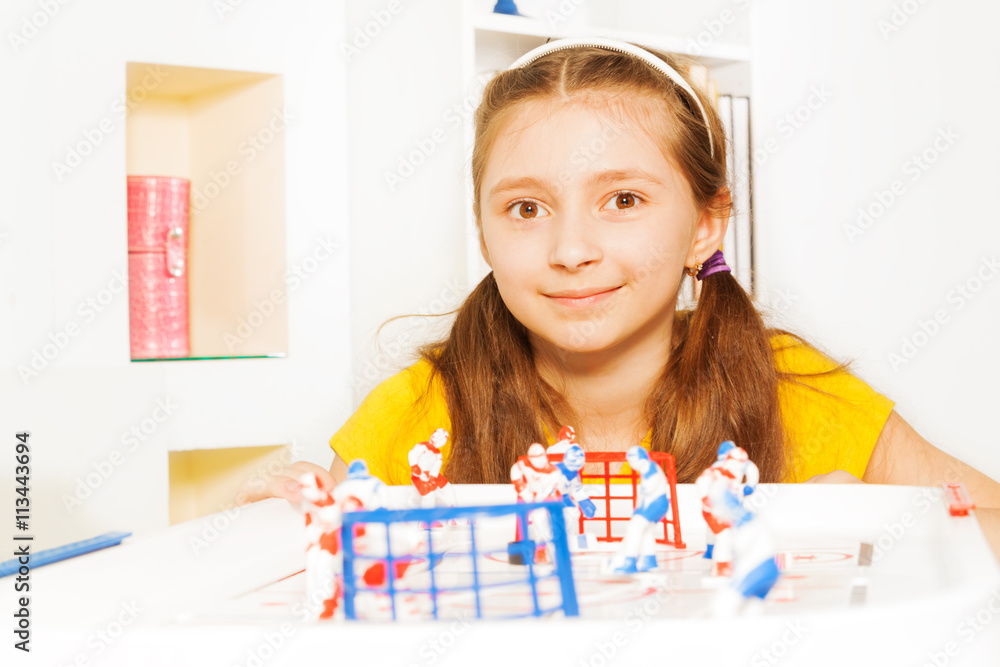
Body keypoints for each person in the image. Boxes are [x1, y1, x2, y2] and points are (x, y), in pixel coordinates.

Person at [238, 37, 1000, 557]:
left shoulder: (796, 392)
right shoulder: (420, 412)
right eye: (526, 209)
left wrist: (889, 523)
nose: (571, 250)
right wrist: (274, 527)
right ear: (482, 229)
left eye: (624, 200)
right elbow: (312, 566)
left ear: (707, 225)